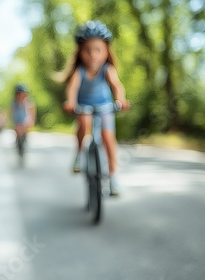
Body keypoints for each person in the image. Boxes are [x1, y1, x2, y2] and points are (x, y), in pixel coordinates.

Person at [60, 20, 129, 195]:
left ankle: (113, 178)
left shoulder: (108, 69)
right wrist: (70, 102)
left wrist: (120, 100)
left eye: (98, 50)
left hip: (104, 105)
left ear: (106, 52)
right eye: (87, 50)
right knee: (83, 124)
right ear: (80, 52)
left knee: (108, 138)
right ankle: (78, 154)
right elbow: (72, 88)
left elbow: (117, 87)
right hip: (83, 105)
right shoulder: (79, 71)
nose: (93, 54)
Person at [11, 84, 36, 161]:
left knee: (25, 128)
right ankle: (18, 141)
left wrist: (31, 121)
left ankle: (24, 138)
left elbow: (32, 114)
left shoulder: (29, 103)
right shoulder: (14, 104)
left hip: (25, 121)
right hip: (17, 121)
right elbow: (12, 114)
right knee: (18, 129)